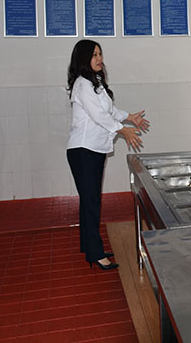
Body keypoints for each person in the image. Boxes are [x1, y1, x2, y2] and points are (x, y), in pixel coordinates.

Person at [66, 39, 150, 270]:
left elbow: (109, 110)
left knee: (90, 200)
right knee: (91, 201)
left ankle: (89, 247)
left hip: (94, 149)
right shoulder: (82, 84)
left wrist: (129, 117)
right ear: (83, 58)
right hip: (84, 150)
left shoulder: (95, 82)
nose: (99, 59)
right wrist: (122, 130)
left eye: (100, 54)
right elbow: (98, 116)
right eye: (94, 55)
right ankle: (95, 253)